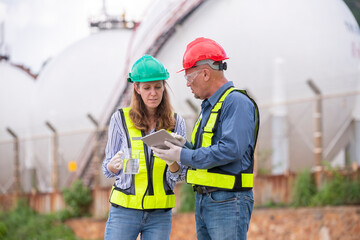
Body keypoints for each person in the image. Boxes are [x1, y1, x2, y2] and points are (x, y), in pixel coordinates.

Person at [152, 37, 260, 240]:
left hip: (228, 200)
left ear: (205, 73)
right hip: (206, 200)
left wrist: (182, 154)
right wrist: (184, 145)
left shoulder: (236, 102)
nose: (187, 84)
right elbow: (208, 150)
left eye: (189, 78)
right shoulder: (207, 107)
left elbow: (230, 149)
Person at [102, 55, 187, 240]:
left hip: (159, 215)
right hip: (124, 212)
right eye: (147, 88)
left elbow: (181, 174)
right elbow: (106, 167)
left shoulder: (175, 122)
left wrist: (172, 162)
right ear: (137, 88)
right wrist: (112, 166)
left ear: (164, 86)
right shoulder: (120, 119)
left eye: (158, 87)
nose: (153, 93)